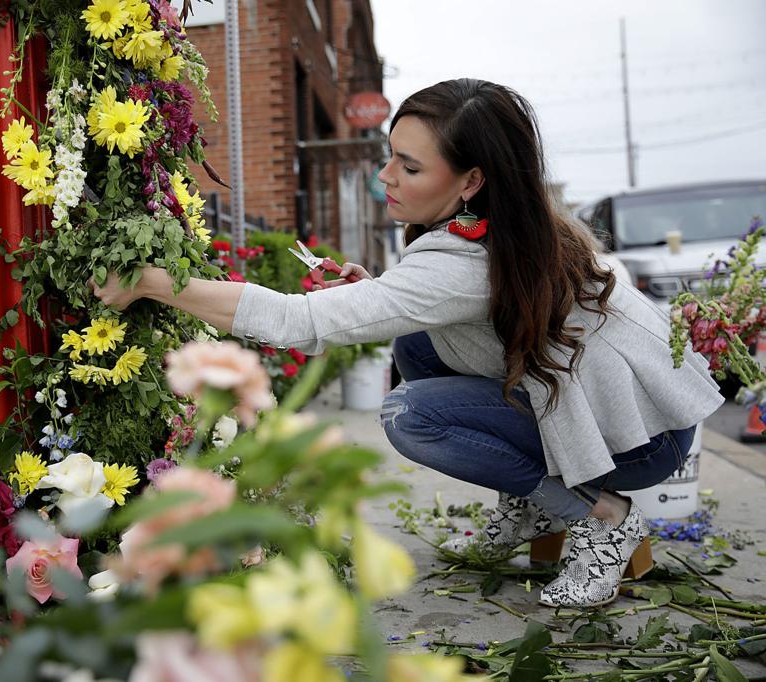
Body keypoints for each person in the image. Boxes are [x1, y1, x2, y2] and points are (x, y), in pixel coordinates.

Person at [90, 78, 723, 608]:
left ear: (471, 180)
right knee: (416, 345)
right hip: (623, 413)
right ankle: (538, 505)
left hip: (640, 442)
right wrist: (383, 292)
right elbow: (464, 308)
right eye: (391, 154)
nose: (386, 176)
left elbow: (297, 322)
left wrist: (154, 281)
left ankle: (601, 519)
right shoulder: (518, 222)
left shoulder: (462, 261)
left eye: (411, 166)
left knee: (411, 415)